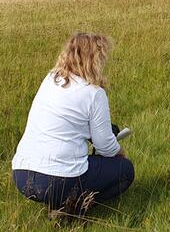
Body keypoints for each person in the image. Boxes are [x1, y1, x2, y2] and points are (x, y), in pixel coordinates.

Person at [12, 33, 135, 217]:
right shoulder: (94, 93)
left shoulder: (50, 79)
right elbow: (105, 146)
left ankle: (61, 203)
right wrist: (120, 154)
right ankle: (72, 209)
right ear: (94, 60)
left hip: (21, 175)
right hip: (58, 179)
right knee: (125, 170)